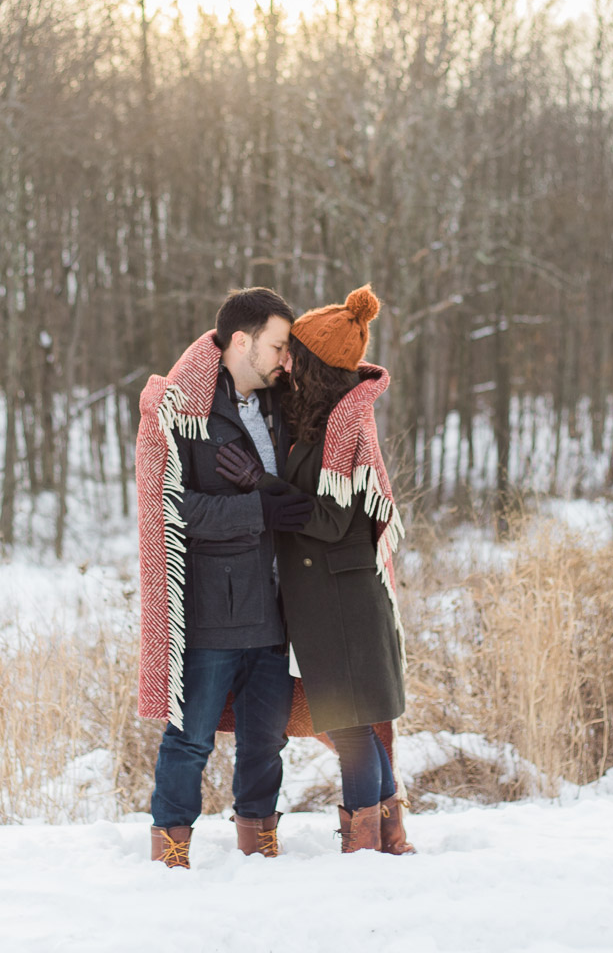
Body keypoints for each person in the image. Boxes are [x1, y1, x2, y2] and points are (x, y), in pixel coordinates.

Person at [214, 284, 414, 855]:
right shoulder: (319, 416)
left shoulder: (340, 427)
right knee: (358, 725)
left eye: (293, 350)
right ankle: (384, 838)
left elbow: (328, 521)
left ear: (316, 364)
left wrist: (260, 485)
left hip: (342, 602)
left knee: (353, 728)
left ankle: (366, 847)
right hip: (331, 598)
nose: (285, 359)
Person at [135, 287, 315, 868]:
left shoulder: (275, 407)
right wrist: (255, 511)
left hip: (273, 607)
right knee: (190, 741)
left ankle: (258, 840)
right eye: (277, 345)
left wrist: (270, 495)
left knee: (267, 740)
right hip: (213, 608)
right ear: (242, 341)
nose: (285, 358)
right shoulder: (184, 413)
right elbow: (171, 509)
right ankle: (170, 852)